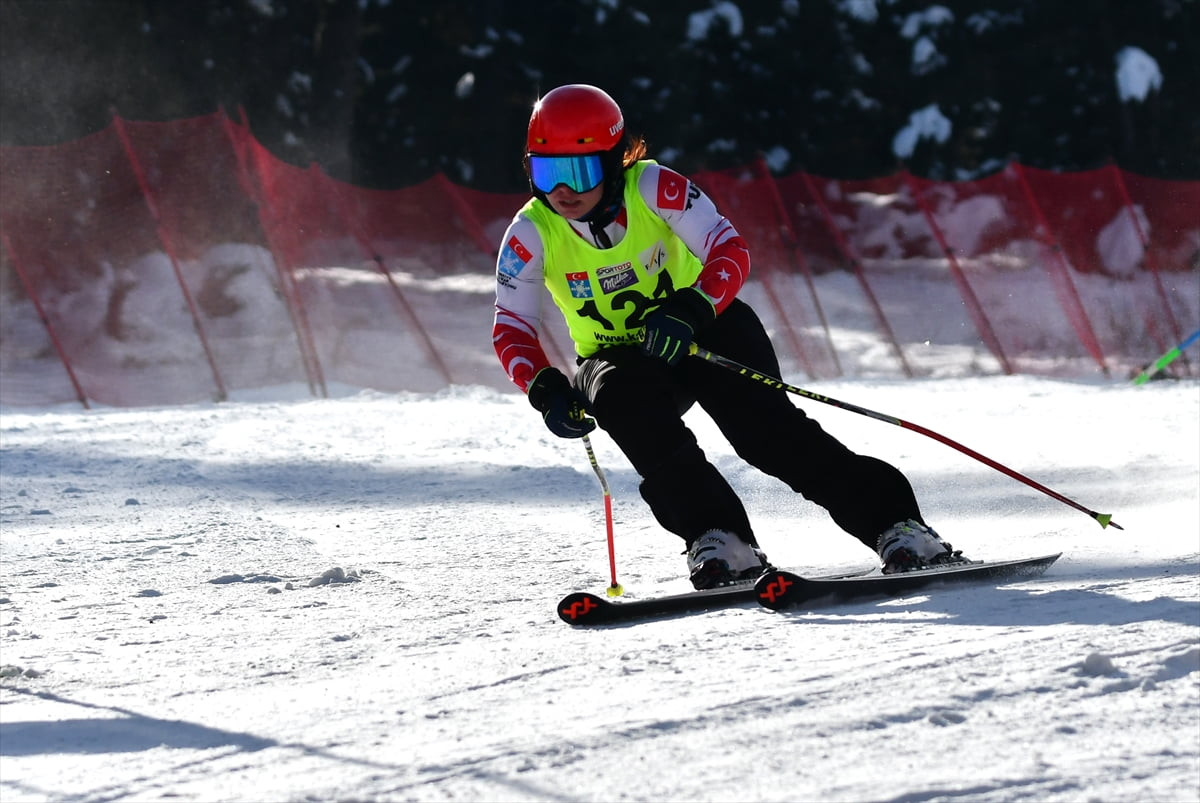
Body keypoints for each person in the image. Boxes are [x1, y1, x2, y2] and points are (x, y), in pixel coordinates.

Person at [492, 84, 969, 589]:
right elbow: (512, 325)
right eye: (545, 172)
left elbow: (729, 248)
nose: (561, 191)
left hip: (701, 331)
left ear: (612, 163)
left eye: (578, 171)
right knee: (626, 409)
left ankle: (898, 526)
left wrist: (691, 307)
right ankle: (721, 538)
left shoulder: (654, 188)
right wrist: (545, 387)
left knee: (767, 437)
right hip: (621, 359)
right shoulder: (531, 231)